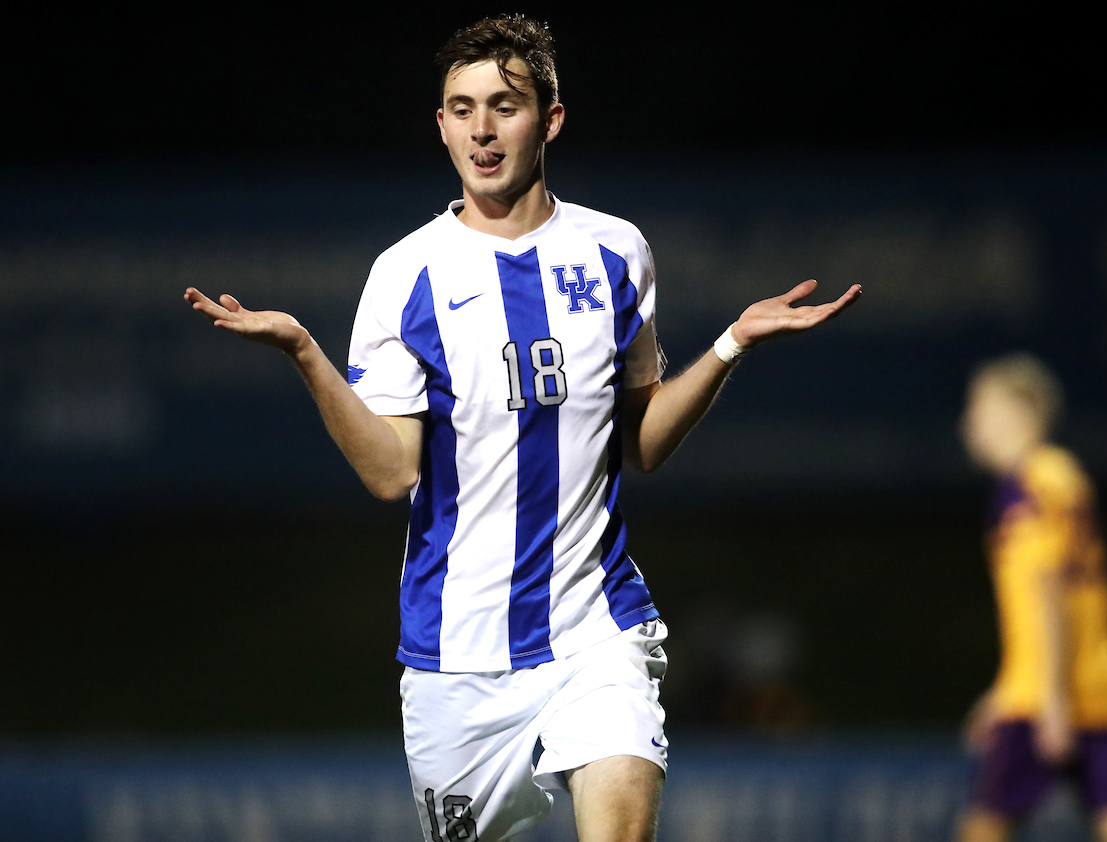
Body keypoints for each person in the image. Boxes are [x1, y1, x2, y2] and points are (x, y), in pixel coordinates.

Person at [185, 14, 860, 842]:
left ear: (550, 119)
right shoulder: (405, 274)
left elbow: (640, 443)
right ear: (441, 125)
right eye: (462, 109)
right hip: (457, 653)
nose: (482, 129)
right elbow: (391, 473)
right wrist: (302, 351)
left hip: (596, 626)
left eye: (504, 106)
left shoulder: (616, 252)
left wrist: (730, 345)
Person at [955, 353, 1107, 842]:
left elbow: (1048, 592)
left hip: (1043, 695)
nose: (969, 423)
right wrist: (1003, 690)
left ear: (1017, 411)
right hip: (1100, 684)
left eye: (979, 406)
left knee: (984, 829)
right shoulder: (1064, 474)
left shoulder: (1025, 488)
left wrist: (1051, 699)